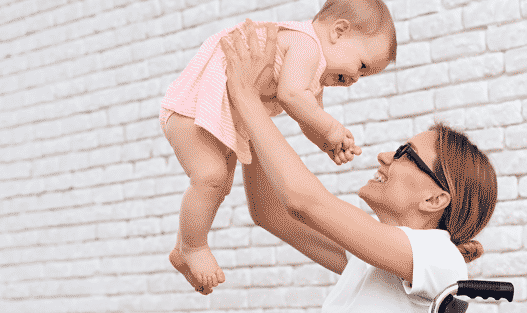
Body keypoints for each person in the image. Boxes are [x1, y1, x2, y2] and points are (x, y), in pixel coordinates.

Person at [94, 19, 497, 313]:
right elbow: (272, 212)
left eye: (405, 152)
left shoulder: (437, 257)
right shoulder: (374, 259)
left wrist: (247, 97)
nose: (386, 156)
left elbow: (303, 201)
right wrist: (250, 109)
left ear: (435, 200)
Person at [163, 0, 397, 295]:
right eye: (361, 66)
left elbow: (306, 116)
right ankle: (193, 247)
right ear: (339, 31)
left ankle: (182, 247)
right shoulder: (306, 44)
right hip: (194, 108)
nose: (354, 80)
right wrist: (331, 128)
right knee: (209, 176)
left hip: (226, 115)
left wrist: (325, 141)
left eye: (363, 77)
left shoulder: (315, 72)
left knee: (218, 186)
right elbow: (290, 96)